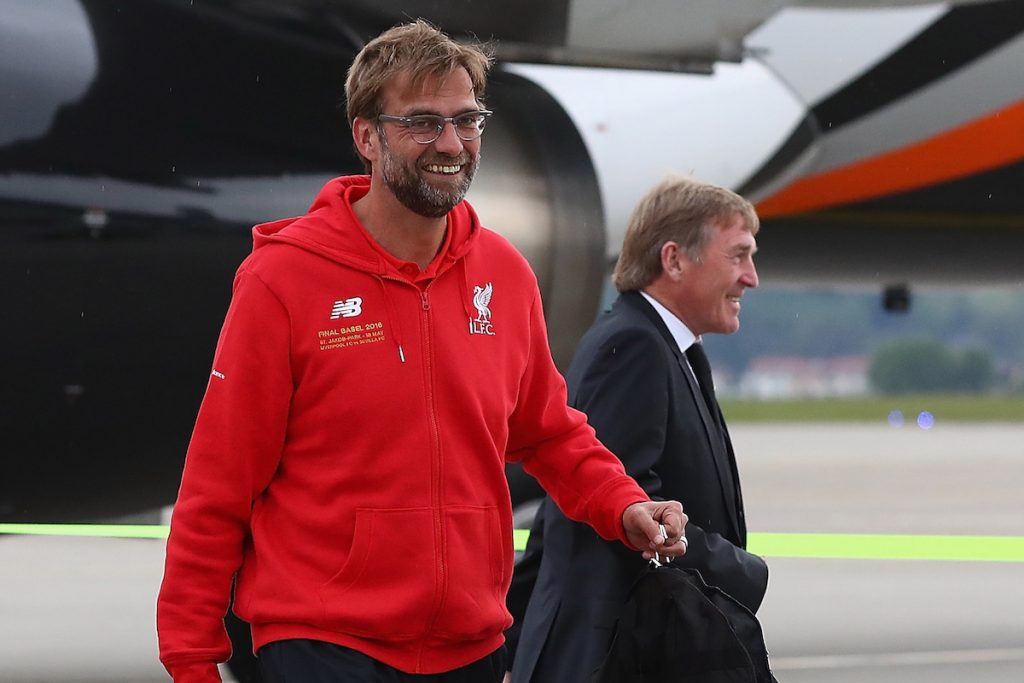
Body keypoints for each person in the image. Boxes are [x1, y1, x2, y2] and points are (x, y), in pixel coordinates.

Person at [156, 20, 687, 683]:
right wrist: (191, 654)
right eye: (423, 123)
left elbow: (550, 434)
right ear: (366, 137)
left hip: (468, 645)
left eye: (468, 120)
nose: (451, 143)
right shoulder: (282, 281)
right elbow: (219, 483)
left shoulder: (505, 275)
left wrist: (624, 503)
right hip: (323, 642)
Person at [506, 176, 769, 683]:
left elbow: (563, 503)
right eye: (738, 256)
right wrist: (740, 570)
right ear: (673, 260)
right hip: (618, 654)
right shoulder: (632, 347)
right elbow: (610, 499)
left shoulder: (669, 347)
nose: (751, 277)